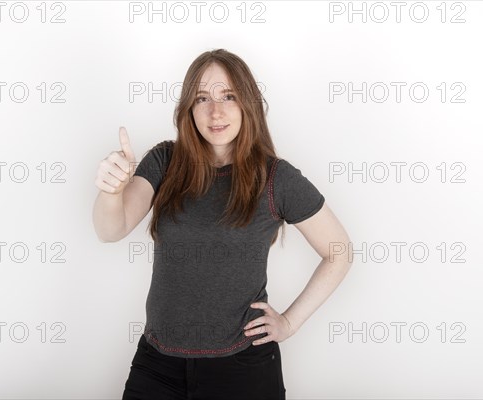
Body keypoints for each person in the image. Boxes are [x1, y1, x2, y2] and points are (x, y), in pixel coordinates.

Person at [92, 49, 353, 400]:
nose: (216, 111)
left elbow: (339, 252)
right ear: (189, 108)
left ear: (247, 103)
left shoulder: (276, 178)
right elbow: (111, 229)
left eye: (228, 96)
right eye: (203, 98)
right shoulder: (165, 161)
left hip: (243, 369)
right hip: (158, 366)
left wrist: (289, 323)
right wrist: (111, 191)